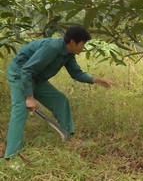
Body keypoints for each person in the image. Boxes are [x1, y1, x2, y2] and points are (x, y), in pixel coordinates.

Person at [3, 26, 113, 159]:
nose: (83, 48)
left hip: (35, 77)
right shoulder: (52, 48)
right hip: (19, 74)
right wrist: (29, 97)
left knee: (60, 100)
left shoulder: (68, 53)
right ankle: (12, 155)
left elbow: (76, 73)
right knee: (20, 110)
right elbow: (26, 70)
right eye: (83, 44)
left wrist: (96, 80)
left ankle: (68, 137)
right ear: (73, 42)